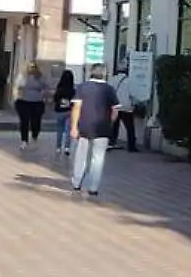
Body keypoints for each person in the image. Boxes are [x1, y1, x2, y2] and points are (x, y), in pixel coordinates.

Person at [69, 64, 122, 199]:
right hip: (102, 128)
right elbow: (115, 111)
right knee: (98, 158)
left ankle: (77, 182)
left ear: (91, 73)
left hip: (84, 126)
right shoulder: (109, 90)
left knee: (81, 155)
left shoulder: (82, 87)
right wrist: (109, 122)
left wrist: (74, 126)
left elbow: (76, 107)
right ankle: (93, 187)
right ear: (105, 74)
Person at [13, 63, 48, 152]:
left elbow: (46, 87)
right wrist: (16, 97)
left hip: (37, 102)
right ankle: (24, 141)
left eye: (33, 67)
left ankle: (34, 137)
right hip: (24, 102)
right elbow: (16, 86)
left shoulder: (40, 77)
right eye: (30, 67)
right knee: (24, 122)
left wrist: (44, 95)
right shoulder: (22, 76)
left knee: (36, 122)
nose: (31, 69)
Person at [109, 65, 139, 152]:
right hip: (126, 107)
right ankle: (131, 146)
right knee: (130, 128)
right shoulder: (130, 81)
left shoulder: (113, 80)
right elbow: (133, 94)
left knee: (114, 126)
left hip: (115, 106)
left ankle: (111, 143)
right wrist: (135, 103)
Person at [51, 69, 77, 156]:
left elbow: (55, 99)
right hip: (69, 111)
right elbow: (74, 101)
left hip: (59, 111)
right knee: (68, 130)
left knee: (59, 130)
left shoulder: (59, 88)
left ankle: (58, 147)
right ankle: (67, 147)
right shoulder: (73, 90)